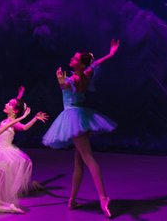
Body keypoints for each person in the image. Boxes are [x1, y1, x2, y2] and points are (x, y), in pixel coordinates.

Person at [41, 39, 120, 218]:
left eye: (76, 59)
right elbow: (96, 64)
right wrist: (110, 54)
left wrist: (60, 81)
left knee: (88, 158)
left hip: (73, 117)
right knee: (78, 162)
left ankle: (103, 198)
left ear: (81, 64)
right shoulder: (87, 72)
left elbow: (68, 85)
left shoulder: (76, 78)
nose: (72, 59)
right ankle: (72, 200)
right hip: (81, 116)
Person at [0, 86, 49, 204]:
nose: (6, 104)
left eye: (9, 104)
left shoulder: (15, 123)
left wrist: (35, 118)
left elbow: (24, 127)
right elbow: (16, 106)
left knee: (3, 172)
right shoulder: (5, 120)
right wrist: (19, 96)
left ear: (15, 111)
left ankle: (30, 186)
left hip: (5, 151)